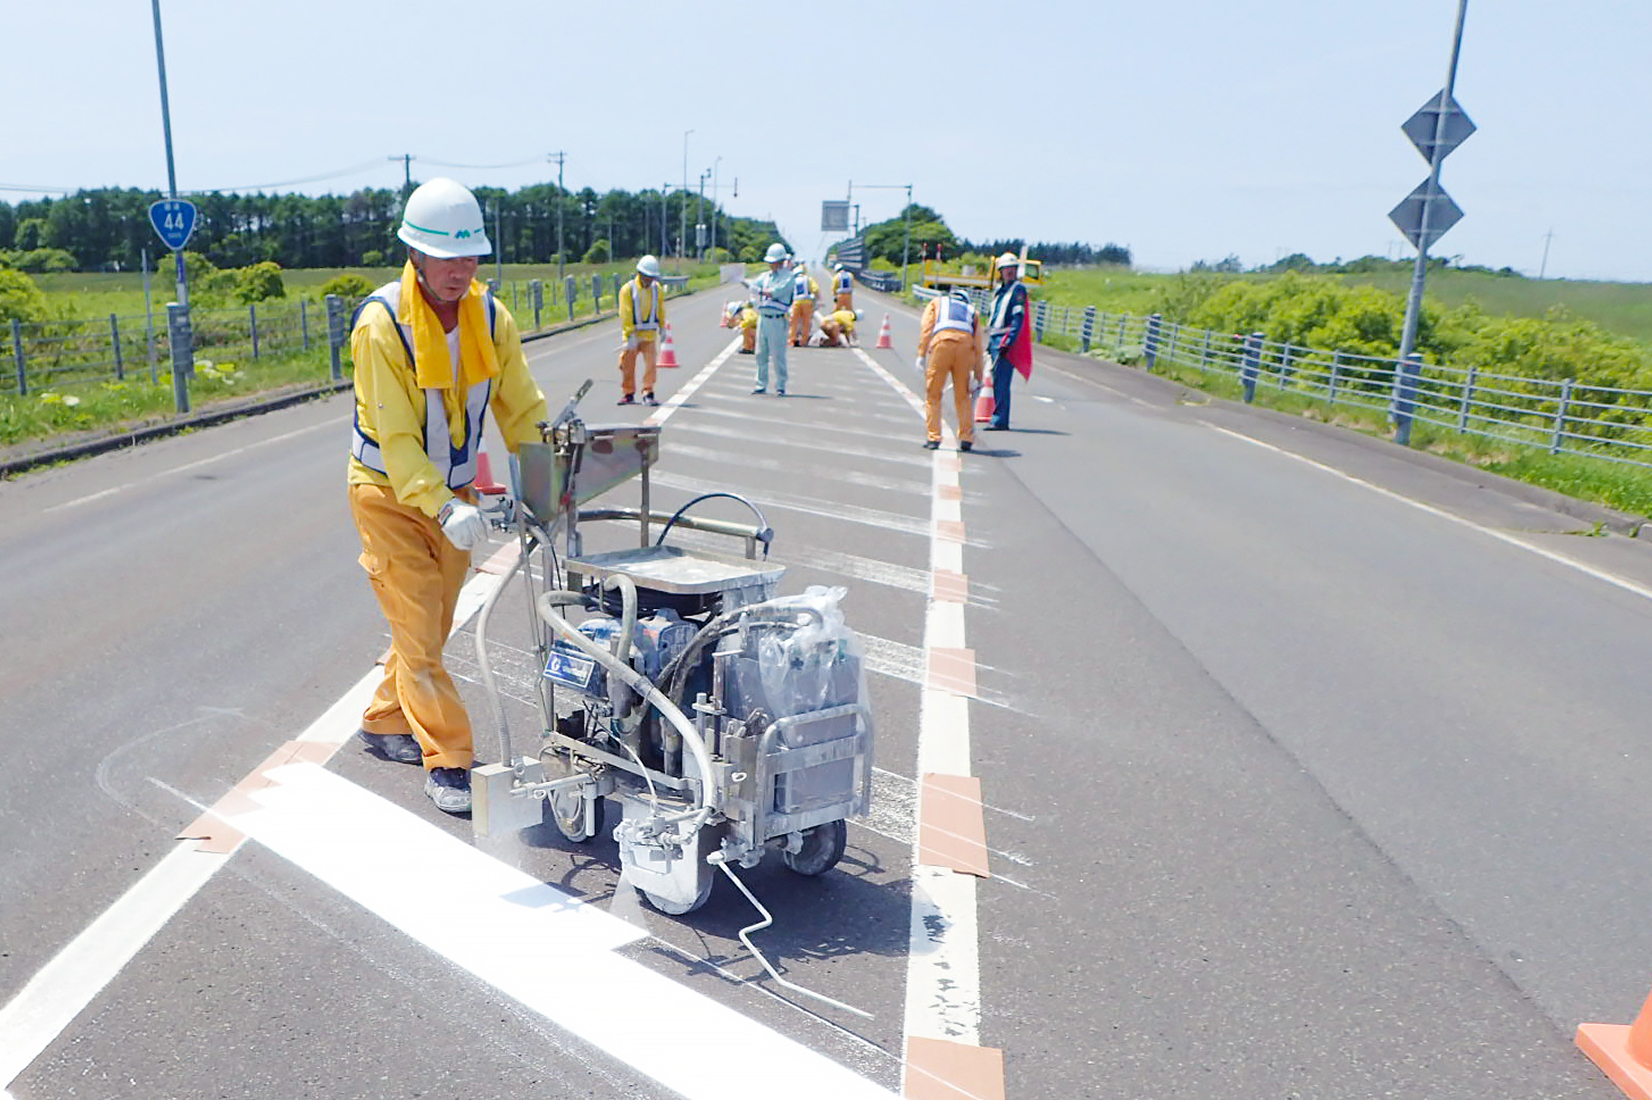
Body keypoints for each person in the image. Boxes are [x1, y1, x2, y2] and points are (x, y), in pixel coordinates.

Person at [346, 177, 548, 814]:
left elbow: (522, 408)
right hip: (385, 494)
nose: (461, 269)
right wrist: (444, 505)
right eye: (447, 256)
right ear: (414, 256)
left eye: (471, 256)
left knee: (426, 628)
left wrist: (551, 484)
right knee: (420, 627)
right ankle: (452, 760)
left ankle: (382, 720)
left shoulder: (490, 317)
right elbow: (398, 436)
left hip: (452, 491)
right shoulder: (382, 325)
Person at [918, 288, 985, 452]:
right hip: (965, 347)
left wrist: (921, 354)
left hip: (942, 344)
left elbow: (926, 327)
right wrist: (978, 374)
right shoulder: (972, 311)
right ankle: (966, 438)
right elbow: (978, 346)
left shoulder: (937, 303)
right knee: (963, 396)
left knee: (933, 394)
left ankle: (933, 438)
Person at [985, 252, 1033, 430]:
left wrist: (1009, 341)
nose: (1009, 272)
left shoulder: (1018, 290)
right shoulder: (999, 290)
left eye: (1012, 269)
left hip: (1004, 339)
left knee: (1002, 380)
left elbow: (1018, 318)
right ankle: (998, 416)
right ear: (1000, 271)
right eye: (1006, 269)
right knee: (996, 379)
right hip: (995, 336)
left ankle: (1000, 419)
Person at [616, 254, 666, 406]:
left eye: (652, 277)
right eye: (647, 276)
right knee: (626, 364)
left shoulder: (657, 289)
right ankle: (628, 392)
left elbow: (660, 309)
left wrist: (662, 327)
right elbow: (625, 313)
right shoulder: (628, 289)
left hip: (649, 335)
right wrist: (630, 334)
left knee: (651, 365)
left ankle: (648, 392)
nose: (650, 280)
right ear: (640, 273)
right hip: (632, 336)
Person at [748, 243, 795, 394]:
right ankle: (760, 384)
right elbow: (755, 284)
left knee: (777, 355)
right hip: (763, 317)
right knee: (760, 353)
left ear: (781, 262)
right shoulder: (765, 276)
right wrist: (749, 285)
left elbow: (775, 292)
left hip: (777, 319)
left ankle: (780, 385)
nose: (771, 265)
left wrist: (760, 291)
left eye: (773, 262)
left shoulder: (788, 277)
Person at [789, 262, 820, 347]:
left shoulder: (793, 280)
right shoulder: (808, 279)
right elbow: (815, 289)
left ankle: (792, 340)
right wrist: (817, 300)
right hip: (807, 302)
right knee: (806, 322)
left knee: (794, 322)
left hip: (796, 302)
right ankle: (804, 341)